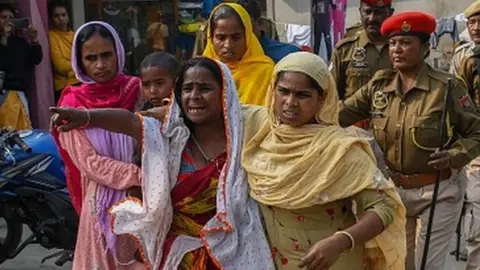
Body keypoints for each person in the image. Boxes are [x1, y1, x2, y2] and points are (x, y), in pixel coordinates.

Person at [50, 52, 406, 270]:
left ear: (322, 98)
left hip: (323, 259)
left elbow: (383, 206)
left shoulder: (331, 145)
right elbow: (147, 119)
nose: (290, 103)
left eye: (303, 95)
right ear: (273, 92)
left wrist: (341, 240)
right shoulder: (250, 125)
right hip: (244, 258)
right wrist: (87, 118)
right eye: (283, 91)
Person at [51, 57, 275, 270]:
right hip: (177, 257)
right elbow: (130, 121)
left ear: (224, 94)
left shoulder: (244, 139)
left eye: (205, 88)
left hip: (233, 255)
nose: (194, 96)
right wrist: (86, 117)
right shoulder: (171, 137)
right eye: (187, 89)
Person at [339, 11, 480, 270]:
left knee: (427, 264)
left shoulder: (447, 87)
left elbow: (476, 133)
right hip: (395, 191)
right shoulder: (378, 87)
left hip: (438, 191)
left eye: (405, 43)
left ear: (424, 48)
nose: (397, 49)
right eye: (393, 43)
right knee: (400, 263)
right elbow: (339, 115)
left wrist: (455, 155)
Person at [53, 21, 143, 270]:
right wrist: (140, 176)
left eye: (106, 55)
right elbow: (91, 164)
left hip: (143, 199)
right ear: (80, 62)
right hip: (101, 204)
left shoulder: (137, 90)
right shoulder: (71, 103)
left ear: (118, 53)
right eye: (91, 58)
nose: (100, 65)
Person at [203, 3, 274, 105]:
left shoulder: (265, 72)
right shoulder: (202, 71)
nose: (228, 45)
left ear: (247, 37)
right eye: (221, 37)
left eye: (236, 37)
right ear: (211, 39)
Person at [330, 0, 393, 101]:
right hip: (353, 115)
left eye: (378, 13)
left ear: (390, 13)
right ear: (360, 12)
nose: (372, 18)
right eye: (367, 12)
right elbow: (331, 95)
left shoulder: (401, 49)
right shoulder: (345, 50)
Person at [456, 2, 480, 269]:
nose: (476, 27)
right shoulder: (465, 58)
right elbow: (458, 102)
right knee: (477, 217)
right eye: (471, 22)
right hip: (477, 150)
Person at [0, 3, 42, 130]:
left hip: (19, 94)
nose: (8, 21)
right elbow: (3, 65)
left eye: (11, 17)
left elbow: (35, 59)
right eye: (3, 17)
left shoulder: (20, 42)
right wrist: (4, 40)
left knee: (23, 134)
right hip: (3, 94)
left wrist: (34, 40)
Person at [235, 0, 299, 63]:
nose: (240, 29)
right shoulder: (231, 56)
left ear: (259, 22)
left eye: (245, 23)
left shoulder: (288, 54)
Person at [48, 0, 78, 103]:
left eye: (63, 15)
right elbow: (60, 65)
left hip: (81, 83)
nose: (61, 19)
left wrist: (72, 70)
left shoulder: (75, 36)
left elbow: (84, 61)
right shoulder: (52, 36)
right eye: (56, 16)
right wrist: (76, 68)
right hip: (63, 86)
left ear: (68, 16)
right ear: (51, 19)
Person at [450, 1, 480, 78]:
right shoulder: (461, 54)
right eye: (472, 22)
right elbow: (455, 85)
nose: (476, 28)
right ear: (467, 25)